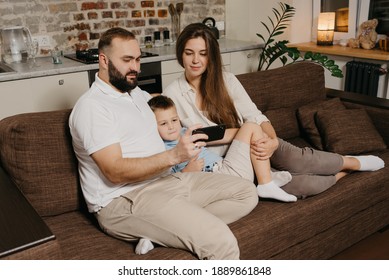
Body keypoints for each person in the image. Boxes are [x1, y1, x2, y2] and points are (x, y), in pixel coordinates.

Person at [68, 27, 259, 260]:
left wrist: (186, 133)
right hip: (124, 199)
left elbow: (165, 120)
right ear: (104, 60)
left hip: (165, 182)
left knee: (246, 192)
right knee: (221, 241)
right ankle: (168, 227)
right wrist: (174, 156)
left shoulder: (135, 93)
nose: (135, 68)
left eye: (138, 59)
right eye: (127, 60)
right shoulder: (93, 107)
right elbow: (114, 171)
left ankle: (161, 231)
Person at [163, 23, 385, 200]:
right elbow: (186, 140)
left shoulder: (226, 80)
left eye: (202, 53)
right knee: (304, 186)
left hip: (257, 141)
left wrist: (271, 140)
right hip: (231, 163)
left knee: (299, 160)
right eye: (189, 53)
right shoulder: (172, 94)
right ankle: (340, 174)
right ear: (180, 54)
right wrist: (236, 133)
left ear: (211, 56)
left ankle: (351, 161)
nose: (195, 60)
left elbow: (255, 116)